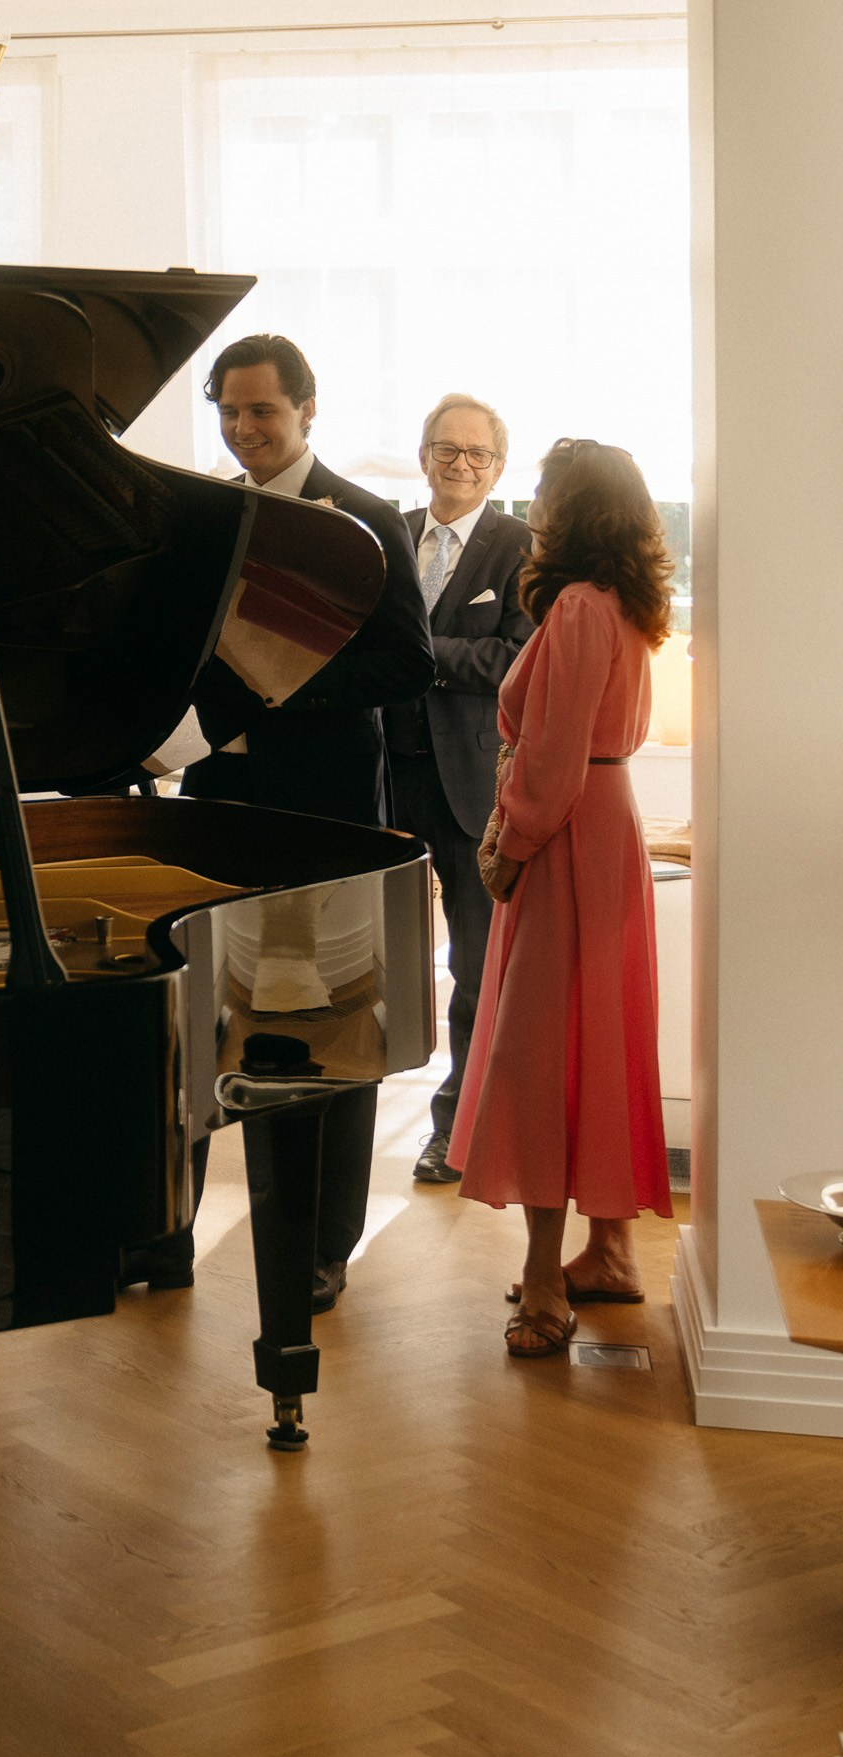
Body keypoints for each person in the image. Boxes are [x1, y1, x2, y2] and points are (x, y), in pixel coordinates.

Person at [175, 332, 434, 1312]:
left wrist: (279, 689)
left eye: (262, 412)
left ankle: (325, 1244)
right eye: (230, 413)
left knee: (331, 1031)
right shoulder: (202, 518)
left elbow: (406, 665)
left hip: (322, 811)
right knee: (204, 1018)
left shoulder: (363, 519)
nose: (244, 430)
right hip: (216, 805)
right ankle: (166, 1238)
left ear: (306, 410)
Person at [449, 438, 675, 1358]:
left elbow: (550, 754)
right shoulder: (622, 605)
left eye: (545, 491)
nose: (533, 506)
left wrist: (508, 841)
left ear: (575, 509)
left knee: (540, 1051)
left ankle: (546, 1283)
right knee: (602, 1037)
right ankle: (610, 1252)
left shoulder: (579, 607)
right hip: (603, 825)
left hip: (570, 830)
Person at [385, 396, 534, 1186]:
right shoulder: (388, 530)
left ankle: (455, 1129)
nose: (461, 465)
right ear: (422, 453)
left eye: (478, 454)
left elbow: (513, 658)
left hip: (471, 787)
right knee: (370, 957)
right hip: (382, 779)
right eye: (446, 449)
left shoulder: (519, 545)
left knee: (476, 969)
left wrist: (417, 652)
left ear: (499, 467)